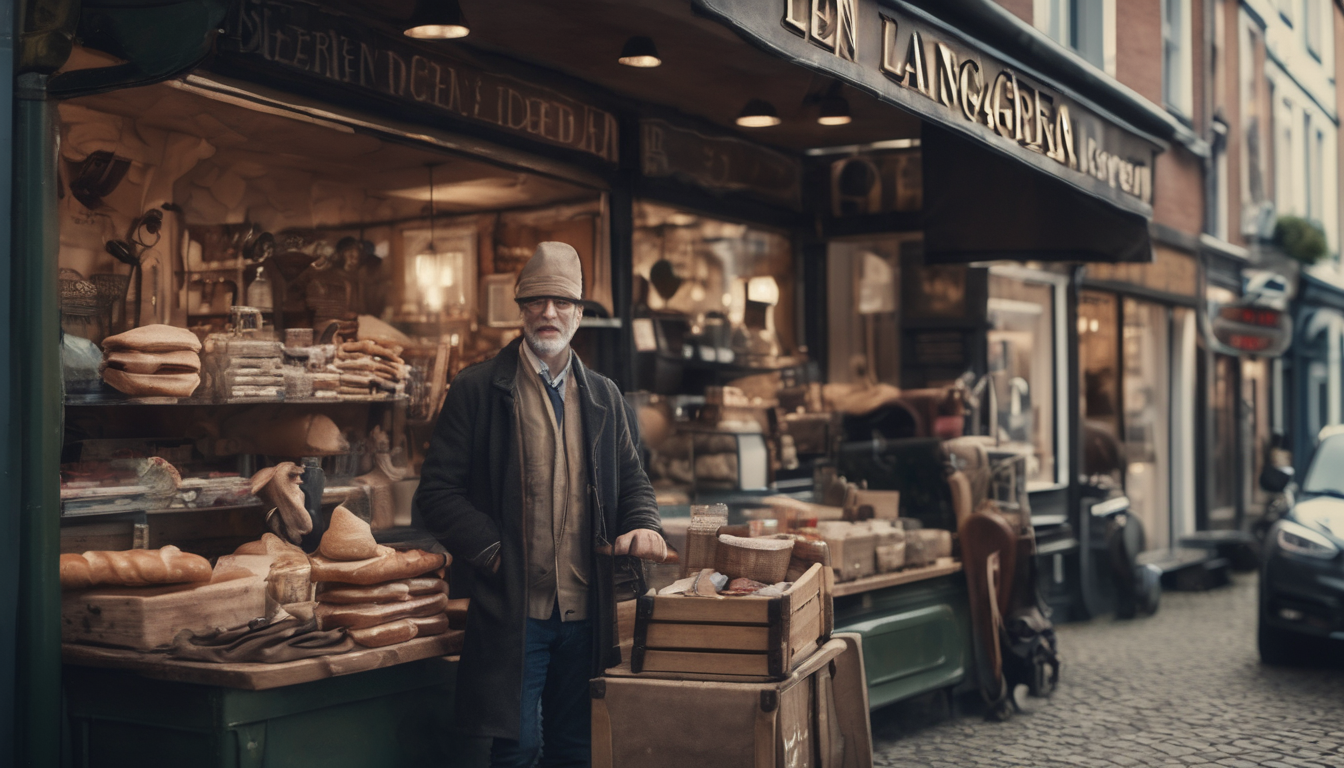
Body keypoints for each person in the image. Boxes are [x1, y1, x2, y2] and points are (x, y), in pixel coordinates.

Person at [413, 241, 665, 767]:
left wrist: (643, 526)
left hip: (586, 609)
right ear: (521, 308)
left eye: (562, 302)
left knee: (577, 747)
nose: (549, 313)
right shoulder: (478, 389)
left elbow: (635, 483)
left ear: (579, 313)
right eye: (537, 301)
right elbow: (436, 493)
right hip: (513, 610)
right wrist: (495, 553)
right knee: (518, 747)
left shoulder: (604, 396)